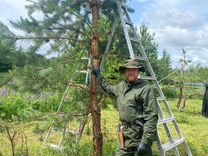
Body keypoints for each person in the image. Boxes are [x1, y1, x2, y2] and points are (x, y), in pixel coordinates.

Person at [93, 59, 158, 156]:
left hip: (139, 136)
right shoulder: (121, 86)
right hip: (124, 135)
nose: (130, 72)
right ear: (125, 72)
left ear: (138, 72)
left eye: (133, 70)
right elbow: (108, 88)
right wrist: (99, 77)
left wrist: (145, 142)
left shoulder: (145, 89)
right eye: (128, 70)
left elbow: (151, 117)